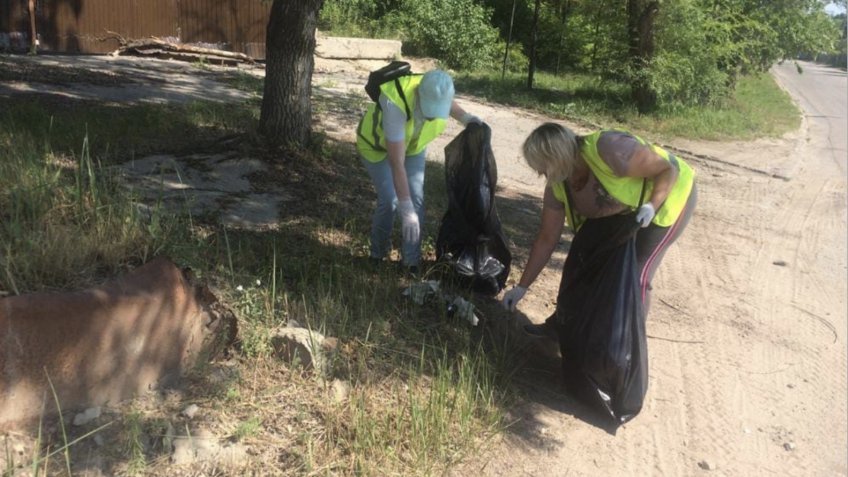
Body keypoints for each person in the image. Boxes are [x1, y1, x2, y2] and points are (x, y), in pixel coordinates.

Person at [501, 122, 697, 337]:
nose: (540, 173)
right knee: (581, 263)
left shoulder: (609, 148)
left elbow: (668, 169)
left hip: (666, 199)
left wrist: (652, 205)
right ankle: (562, 326)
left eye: (542, 166)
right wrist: (522, 287)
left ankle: (625, 346)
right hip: (624, 214)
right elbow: (547, 238)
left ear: (557, 158)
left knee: (636, 275)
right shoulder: (558, 184)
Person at [356, 69, 481, 274]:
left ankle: (411, 263)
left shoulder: (437, 90)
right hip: (375, 147)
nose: (432, 116)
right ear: (418, 95)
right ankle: (377, 255)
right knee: (390, 201)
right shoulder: (394, 102)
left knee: (417, 201)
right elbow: (397, 163)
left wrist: (467, 118)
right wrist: (405, 208)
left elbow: (447, 102)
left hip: (413, 147)